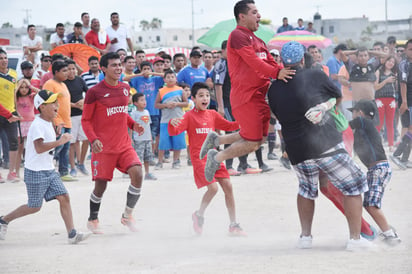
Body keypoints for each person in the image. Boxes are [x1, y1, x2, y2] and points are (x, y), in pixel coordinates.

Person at [268, 41, 371, 251]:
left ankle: (305, 238)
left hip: (296, 150)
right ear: (302, 59)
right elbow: (338, 96)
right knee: (352, 187)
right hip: (325, 144)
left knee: (306, 190)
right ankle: (355, 240)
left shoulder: (274, 88)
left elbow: (279, 116)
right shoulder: (315, 75)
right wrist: (324, 106)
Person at [201, 0, 293, 182]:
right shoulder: (237, 36)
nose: (259, 16)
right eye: (254, 12)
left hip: (261, 95)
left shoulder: (258, 40)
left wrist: (286, 71)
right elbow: (254, 62)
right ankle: (216, 158)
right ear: (241, 16)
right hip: (246, 96)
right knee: (252, 141)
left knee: (260, 138)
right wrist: (277, 72)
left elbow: (270, 61)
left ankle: (216, 140)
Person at [0, 90, 90, 244]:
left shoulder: (49, 122)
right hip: (36, 171)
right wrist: (60, 141)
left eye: (56, 102)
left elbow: (48, 148)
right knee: (34, 206)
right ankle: (4, 220)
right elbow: (39, 148)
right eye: (53, 103)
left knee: (64, 197)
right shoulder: (37, 125)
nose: (57, 105)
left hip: (48, 169)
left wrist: (57, 137)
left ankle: (72, 234)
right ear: (41, 107)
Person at [168, 82, 246, 236]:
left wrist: (245, 120)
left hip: (215, 158)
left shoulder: (212, 114)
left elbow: (230, 126)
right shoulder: (189, 116)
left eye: (207, 95)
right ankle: (199, 215)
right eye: (201, 96)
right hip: (200, 160)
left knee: (228, 187)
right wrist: (172, 123)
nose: (205, 98)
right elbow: (174, 131)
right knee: (213, 188)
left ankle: (233, 225)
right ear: (194, 99)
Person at [81, 52, 145, 234]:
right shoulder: (94, 92)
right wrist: (94, 140)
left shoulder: (125, 88)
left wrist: (133, 124)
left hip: (124, 145)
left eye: (120, 65)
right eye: (114, 65)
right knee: (101, 186)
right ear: (103, 68)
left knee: (138, 174)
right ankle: (93, 218)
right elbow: (86, 120)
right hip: (103, 148)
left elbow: (122, 113)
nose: (118, 68)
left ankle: (127, 215)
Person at [348, 100, 401, 245]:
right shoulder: (364, 128)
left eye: (353, 111)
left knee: (371, 204)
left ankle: (390, 235)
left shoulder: (363, 122)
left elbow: (343, 126)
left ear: (360, 112)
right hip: (377, 169)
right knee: (370, 203)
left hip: (378, 169)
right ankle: (388, 230)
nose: (352, 114)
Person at [214, 40, 270, 175]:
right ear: (223, 51)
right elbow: (218, 86)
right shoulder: (221, 65)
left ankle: (243, 164)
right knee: (231, 133)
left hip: (240, 105)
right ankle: (228, 166)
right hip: (227, 105)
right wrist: (221, 106)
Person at [43, 61, 77, 181]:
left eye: (68, 70)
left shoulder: (63, 84)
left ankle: (63, 172)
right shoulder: (49, 84)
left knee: (65, 148)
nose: (67, 73)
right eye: (64, 71)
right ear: (56, 72)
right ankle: (45, 171)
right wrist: (55, 121)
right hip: (58, 121)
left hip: (67, 120)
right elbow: (48, 104)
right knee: (55, 148)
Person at [154, 70, 188, 169]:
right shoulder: (161, 91)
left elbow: (186, 103)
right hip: (165, 121)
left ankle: (176, 161)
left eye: (172, 77)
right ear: (164, 79)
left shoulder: (181, 90)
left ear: (175, 78)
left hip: (178, 120)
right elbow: (156, 105)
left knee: (178, 141)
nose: (170, 79)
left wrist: (177, 104)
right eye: (168, 77)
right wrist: (165, 105)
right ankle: (160, 162)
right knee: (163, 142)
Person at [64, 60, 89, 177]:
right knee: (72, 142)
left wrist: (83, 101)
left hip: (82, 115)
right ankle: (73, 167)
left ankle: (81, 163)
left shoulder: (79, 80)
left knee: (85, 139)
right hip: (70, 115)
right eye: (68, 69)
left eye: (73, 68)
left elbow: (89, 93)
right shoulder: (63, 83)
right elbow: (61, 100)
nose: (71, 71)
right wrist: (74, 105)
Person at [0, 49, 20, 183]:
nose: (4, 60)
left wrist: (16, 111)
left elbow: (15, 94)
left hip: (11, 113)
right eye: (1, 58)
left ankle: (11, 172)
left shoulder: (13, 74)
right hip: (0, 112)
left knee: (14, 141)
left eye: (5, 58)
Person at [391, 39, 412, 169]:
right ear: (405, 50)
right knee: (410, 129)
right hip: (408, 100)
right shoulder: (404, 64)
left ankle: (404, 159)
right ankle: (396, 155)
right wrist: (404, 102)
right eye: (410, 49)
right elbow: (403, 84)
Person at [130, 93, 156, 180]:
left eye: (144, 100)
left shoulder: (147, 112)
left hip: (147, 138)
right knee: (138, 157)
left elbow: (148, 126)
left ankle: (147, 173)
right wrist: (130, 138)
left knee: (147, 157)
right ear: (135, 103)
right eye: (141, 100)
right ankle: (138, 173)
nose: (144, 102)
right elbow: (131, 126)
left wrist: (151, 138)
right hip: (139, 139)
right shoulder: (134, 113)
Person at [374, 56, 398, 152]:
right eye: (389, 60)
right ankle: (376, 144)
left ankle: (391, 144)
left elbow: (396, 89)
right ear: (385, 61)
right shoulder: (378, 72)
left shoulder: (394, 74)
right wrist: (386, 81)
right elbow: (376, 87)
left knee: (390, 123)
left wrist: (395, 100)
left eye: (393, 62)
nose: (391, 63)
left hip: (391, 100)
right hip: (380, 100)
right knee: (379, 123)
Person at [15, 79, 37, 178]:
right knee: (19, 149)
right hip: (20, 124)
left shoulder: (31, 97)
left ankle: (30, 171)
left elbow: (41, 93)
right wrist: (17, 88)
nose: (23, 90)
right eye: (21, 88)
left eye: (25, 88)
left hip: (30, 123)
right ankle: (16, 172)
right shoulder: (17, 98)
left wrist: (31, 86)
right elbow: (13, 95)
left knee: (30, 149)